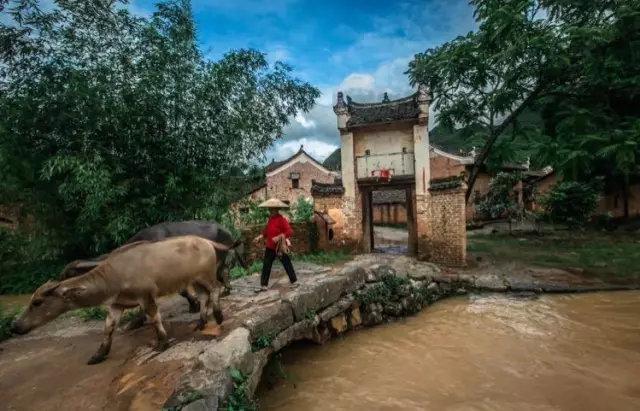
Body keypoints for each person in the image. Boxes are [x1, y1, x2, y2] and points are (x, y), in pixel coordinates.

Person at [254, 198, 298, 292]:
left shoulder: (281, 220)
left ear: (277, 210)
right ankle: (264, 285)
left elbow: (290, 231)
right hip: (270, 247)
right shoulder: (270, 219)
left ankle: (294, 281)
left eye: (273, 209)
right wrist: (260, 237)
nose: (271, 211)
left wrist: (279, 237)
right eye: (270, 209)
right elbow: (266, 231)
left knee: (286, 263)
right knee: (266, 265)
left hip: (279, 247)